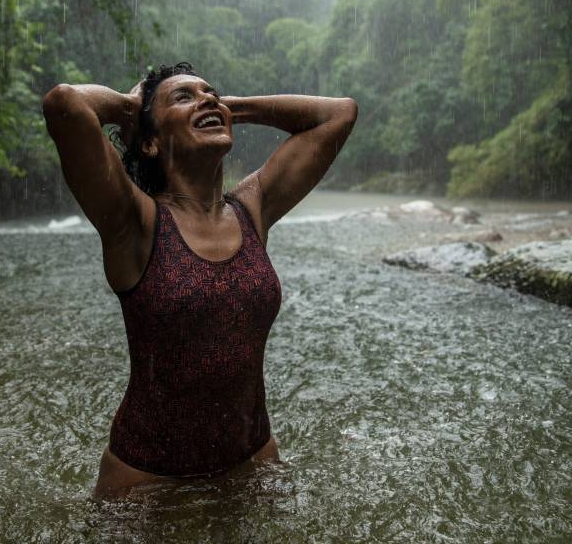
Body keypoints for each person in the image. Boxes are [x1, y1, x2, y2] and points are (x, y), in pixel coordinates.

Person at [41, 62, 357, 499]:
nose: (207, 98)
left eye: (212, 93)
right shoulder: (134, 221)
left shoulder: (253, 208)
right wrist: (133, 107)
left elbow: (339, 114)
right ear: (150, 142)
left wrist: (227, 109)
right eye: (184, 96)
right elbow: (64, 105)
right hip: (148, 482)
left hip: (251, 464)